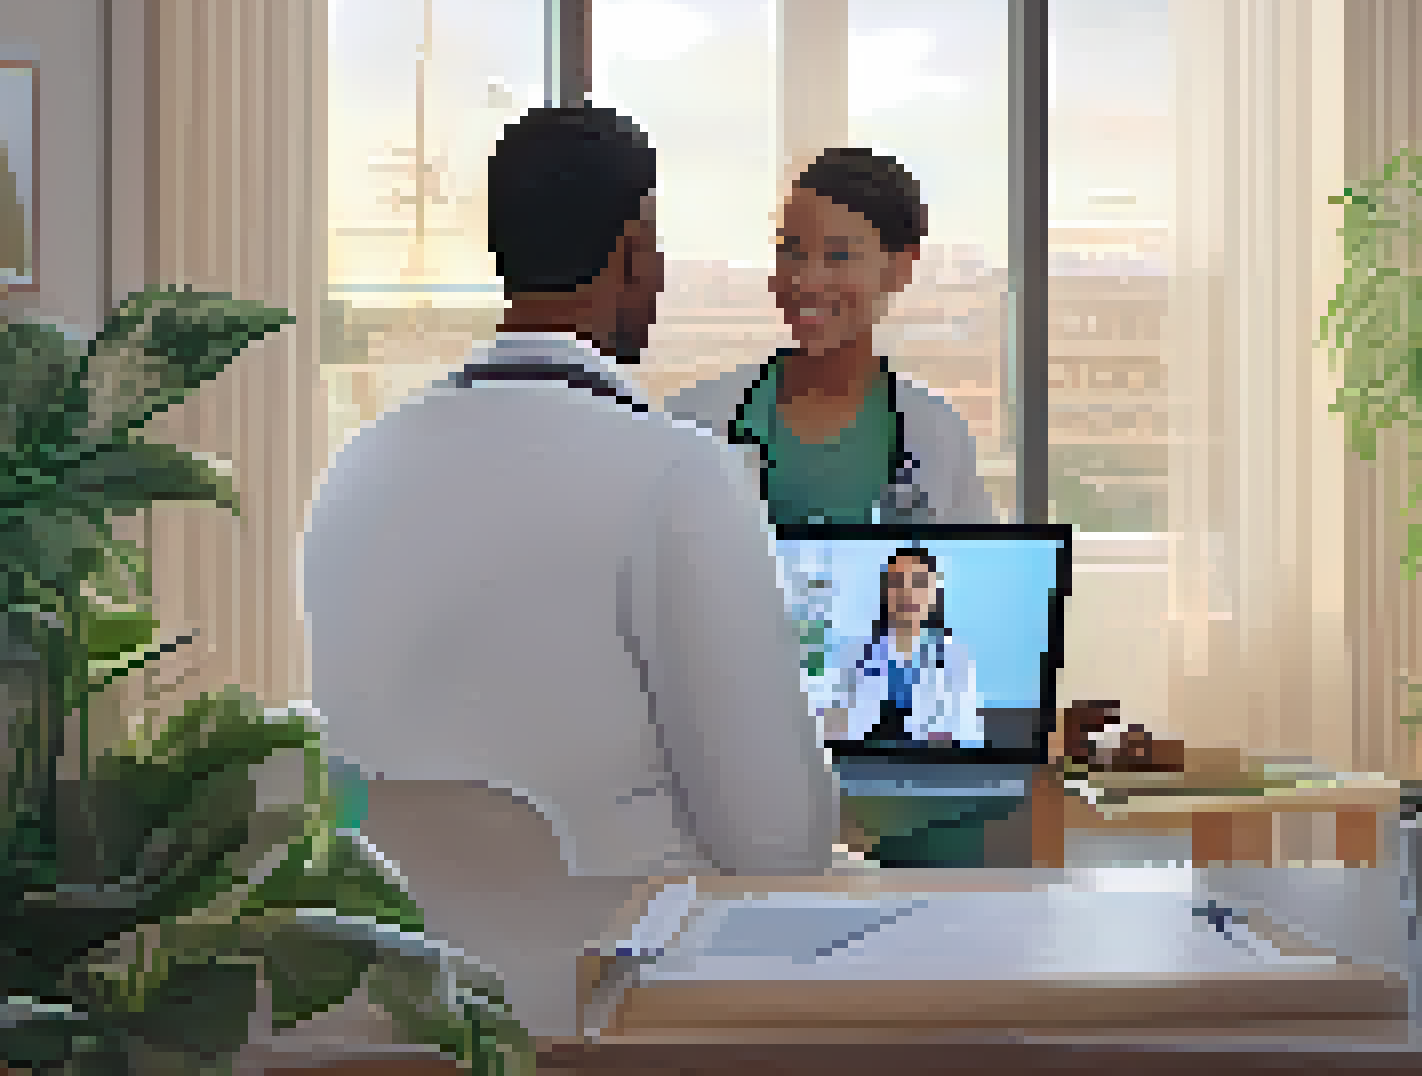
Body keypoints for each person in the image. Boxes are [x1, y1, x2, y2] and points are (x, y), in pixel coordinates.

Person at [301, 105, 838, 883]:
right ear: (631, 249)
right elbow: (780, 848)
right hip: (622, 983)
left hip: (404, 982)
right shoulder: (678, 476)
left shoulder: (355, 470)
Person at [664, 148, 995, 526]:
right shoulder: (693, 421)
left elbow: (974, 572)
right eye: (791, 252)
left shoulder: (938, 434)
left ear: (899, 268)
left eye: (839, 256)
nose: (807, 281)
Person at [817, 547, 983, 747]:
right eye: (898, 583)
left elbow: (968, 738)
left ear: (933, 594)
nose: (908, 593)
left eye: (918, 584)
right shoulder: (853, 656)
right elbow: (830, 733)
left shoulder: (956, 661)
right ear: (885, 593)